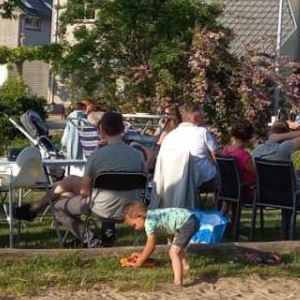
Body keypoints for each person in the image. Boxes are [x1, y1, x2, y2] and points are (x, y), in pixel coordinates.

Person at [52, 110, 148, 245]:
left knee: (58, 207)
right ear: (123, 129)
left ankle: (91, 240)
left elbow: (85, 192)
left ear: (101, 130)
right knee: (107, 196)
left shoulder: (96, 156)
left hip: (102, 209)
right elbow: (143, 184)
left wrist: (70, 193)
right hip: (131, 208)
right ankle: (108, 238)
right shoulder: (138, 156)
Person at [153, 105, 217, 210]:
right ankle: (220, 214)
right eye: (202, 118)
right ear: (195, 118)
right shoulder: (202, 132)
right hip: (200, 181)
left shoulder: (169, 136)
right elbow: (217, 157)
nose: (204, 121)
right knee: (225, 180)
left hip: (171, 181)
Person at [121, 200, 196, 286]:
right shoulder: (153, 214)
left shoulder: (149, 223)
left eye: (134, 225)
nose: (136, 228)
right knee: (176, 247)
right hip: (189, 218)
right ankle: (185, 266)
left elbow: (151, 246)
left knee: (173, 252)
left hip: (187, 222)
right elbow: (169, 229)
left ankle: (178, 282)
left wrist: (140, 261)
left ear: (139, 216)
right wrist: (141, 255)